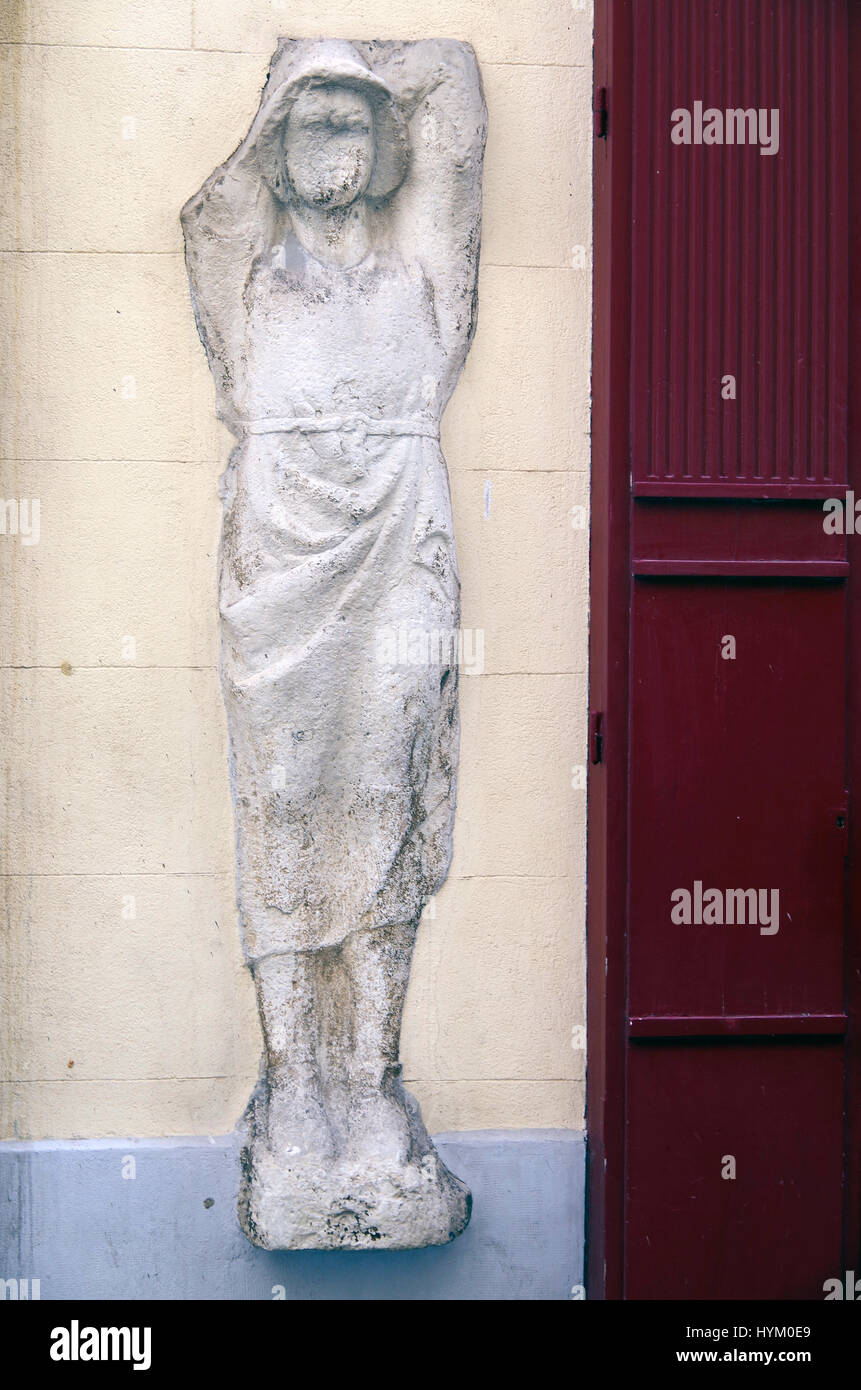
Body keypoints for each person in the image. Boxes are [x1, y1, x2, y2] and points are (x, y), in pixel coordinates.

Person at [182, 38, 486, 1248]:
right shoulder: (246, 281)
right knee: (288, 801)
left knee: (387, 803)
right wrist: (299, 79)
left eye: (357, 122)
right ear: (270, 146)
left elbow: (458, 98)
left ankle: (368, 1083)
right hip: (281, 568)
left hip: (400, 545)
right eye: (308, 124)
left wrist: (369, 67)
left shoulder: (423, 283)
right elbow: (204, 208)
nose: (338, 143)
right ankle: (295, 1086)